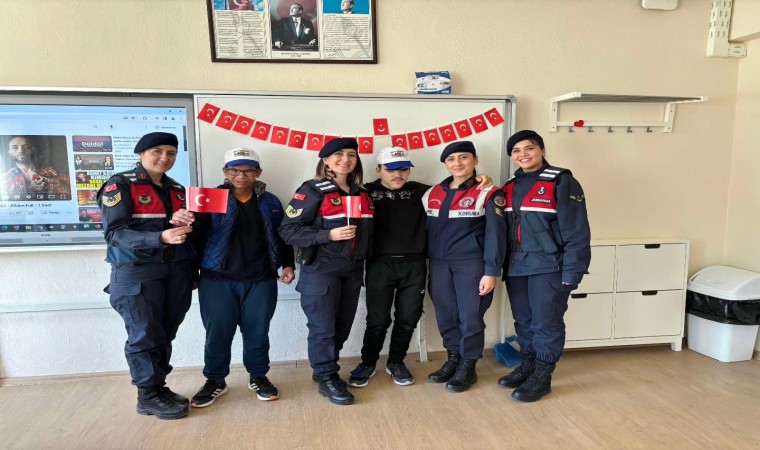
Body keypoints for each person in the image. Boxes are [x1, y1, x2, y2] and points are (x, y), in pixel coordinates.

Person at [347, 147, 494, 388]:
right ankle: (368, 362)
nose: (398, 174)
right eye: (391, 170)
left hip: (415, 265)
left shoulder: (423, 192)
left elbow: (455, 188)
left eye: (403, 169)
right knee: (377, 320)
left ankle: (396, 362)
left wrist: (481, 178)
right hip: (379, 265)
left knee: (408, 318)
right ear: (378, 170)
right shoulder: (365, 192)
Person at [97, 132, 196, 420]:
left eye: (171, 152)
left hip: (175, 271)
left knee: (165, 332)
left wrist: (185, 223)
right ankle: (147, 395)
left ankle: (158, 386)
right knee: (144, 334)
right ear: (141, 154)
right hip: (137, 272)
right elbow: (115, 233)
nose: (165, 158)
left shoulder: (177, 189)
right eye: (157, 151)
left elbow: (178, 232)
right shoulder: (120, 184)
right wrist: (160, 237)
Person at [190, 148, 295, 408]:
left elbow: (283, 236)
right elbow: (195, 238)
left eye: (248, 170)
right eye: (235, 170)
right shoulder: (210, 198)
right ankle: (215, 380)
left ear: (258, 172)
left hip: (261, 279)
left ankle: (258, 376)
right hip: (216, 280)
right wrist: (191, 273)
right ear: (225, 172)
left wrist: (288, 264)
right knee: (218, 333)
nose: (241, 175)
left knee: (257, 332)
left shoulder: (270, 201)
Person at [497, 130, 590, 403]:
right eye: (516, 151)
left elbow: (577, 230)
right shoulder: (510, 186)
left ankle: (542, 375)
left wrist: (573, 270)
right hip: (516, 267)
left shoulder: (561, 181)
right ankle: (528, 365)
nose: (523, 154)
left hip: (549, 267)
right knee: (524, 321)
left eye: (529, 148)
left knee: (546, 323)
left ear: (542, 150)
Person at [278, 138, 373, 406]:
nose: (346, 159)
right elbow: (288, 230)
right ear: (326, 160)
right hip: (321, 270)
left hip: (353, 270)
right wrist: (327, 235)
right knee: (323, 328)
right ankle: (327, 376)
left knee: (342, 327)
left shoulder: (362, 194)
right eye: (338, 154)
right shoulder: (312, 190)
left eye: (351, 154)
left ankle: (325, 369)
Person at [422, 140, 507, 393]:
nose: (457, 163)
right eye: (451, 159)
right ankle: (454, 359)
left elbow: (496, 236)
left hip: (472, 265)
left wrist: (491, 271)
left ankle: (468, 366)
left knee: (470, 317)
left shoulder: (488, 192)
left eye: (464, 157)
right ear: (445, 164)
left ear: (475, 160)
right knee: (446, 315)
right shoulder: (432, 193)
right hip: (439, 264)